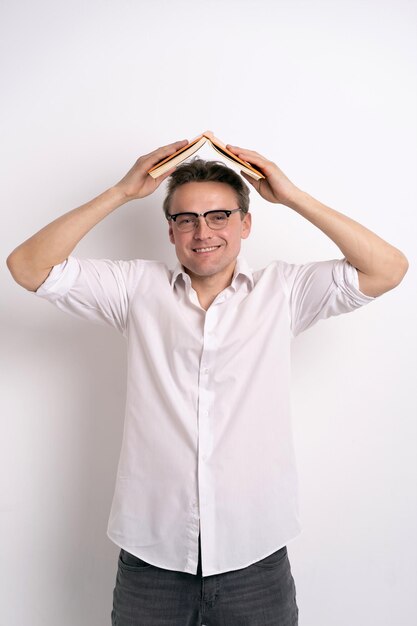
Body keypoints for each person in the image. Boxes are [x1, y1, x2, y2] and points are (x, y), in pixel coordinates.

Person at [6, 138, 408, 626]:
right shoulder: (135, 288)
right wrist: (119, 192)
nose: (203, 232)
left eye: (219, 216)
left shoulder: (283, 292)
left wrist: (293, 195)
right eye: (187, 219)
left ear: (245, 224)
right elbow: (27, 267)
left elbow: (388, 268)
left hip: (254, 558)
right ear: (171, 231)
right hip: (151, 559)